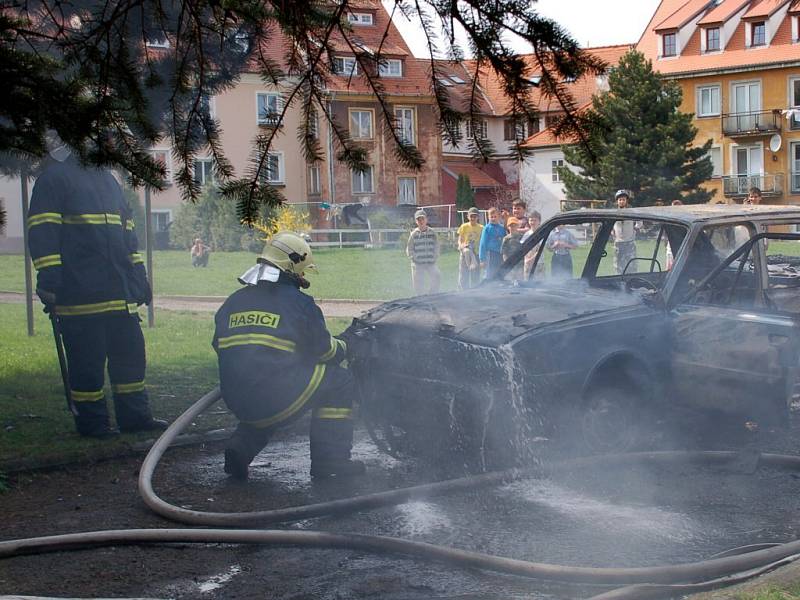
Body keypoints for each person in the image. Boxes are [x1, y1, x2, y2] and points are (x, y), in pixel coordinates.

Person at [27, 131, 166, 438]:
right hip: (79, 294)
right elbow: (43, 232)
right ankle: (93, 424)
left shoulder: (108, 182)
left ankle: (135, 417)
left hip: (119, 296)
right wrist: (50, 278)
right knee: (87, 365)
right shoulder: (54, 180)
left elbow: (127, 235)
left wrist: (139, 276)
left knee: (130, 358)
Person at [213, 232, 365, 480]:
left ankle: (240, 447)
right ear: (292, 266)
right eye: (302, 270)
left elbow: (221, 347)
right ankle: (332, 461)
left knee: (269, 390)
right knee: (339, 381)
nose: (303, 277)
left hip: (237, 397)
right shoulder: (299, 304)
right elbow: (326, 352)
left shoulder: (232, 302)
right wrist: (347, 346)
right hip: (273, 394)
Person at [406, 209, 441, 295]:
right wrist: (414, 258)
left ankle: (432, 294)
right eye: (419, 219)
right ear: (416, 221)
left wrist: (435, 256)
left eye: (422, 219)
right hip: (418, 263)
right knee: (418, 282)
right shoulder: (414, 234)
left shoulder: (432, 232)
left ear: (426, 220)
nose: (421, 221)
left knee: (437, 275)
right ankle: (420, 297)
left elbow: (437, 245)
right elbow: (409, 249)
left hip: (430, 262)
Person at [456, 206, 483, 290]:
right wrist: (460, 245)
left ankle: (475, 292)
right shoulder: (464, 226)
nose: (473, 218)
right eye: (471, 216)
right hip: (465, 253)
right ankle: (463, 292)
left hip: (476, 253)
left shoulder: (482, 228)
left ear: (478, 217)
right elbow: (460, 239)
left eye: (475, 216)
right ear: (467, 216)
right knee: (463, 274)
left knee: (475, 274)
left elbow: (483, 242)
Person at [612, 190, 636, 274]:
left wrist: (635, 228)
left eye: (623, 199)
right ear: (617, 201)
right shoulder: (613, 213)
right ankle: (619, 283)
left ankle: (631, 281)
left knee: (631, 264)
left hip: (629, 242)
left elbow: (640, 222)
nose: (622, 201)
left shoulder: (631, 212)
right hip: (618, 243)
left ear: (626, 201)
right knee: (618, 266)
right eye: (620, 200)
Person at [479, 207, 506, 280]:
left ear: (499, 217)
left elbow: (504, 240)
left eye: (495, 217)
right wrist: (482, 259)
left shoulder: (502, 228)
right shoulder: (487, 228)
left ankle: (498, 286)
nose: (493, 218)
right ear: (488, 217)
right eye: (491, 217)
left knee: (499, 272)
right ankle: (487, 287)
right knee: (489, 272)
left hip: (500, 254)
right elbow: (483, 243)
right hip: (490, 254)